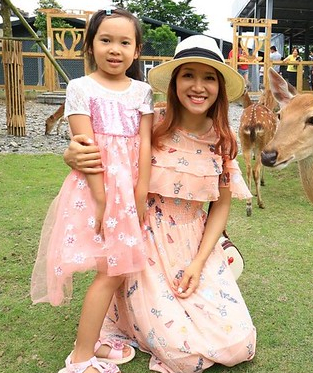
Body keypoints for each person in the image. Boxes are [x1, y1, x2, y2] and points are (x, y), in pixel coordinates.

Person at [63, 34, 257, 373]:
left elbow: (220, 207)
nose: (198, 86)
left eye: (209, 77)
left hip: (196, 244)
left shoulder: (224, 139)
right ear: (175, 82)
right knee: (184, 353)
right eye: (188, 75)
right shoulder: (150, 125)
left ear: (219, 87)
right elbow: (107, 150)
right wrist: (73, 154)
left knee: (239, 343)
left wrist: (199, 262)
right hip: (146, 242)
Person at [31, 8, 154, 373]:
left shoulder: (143, 91)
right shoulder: (80, 88)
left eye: (124, 42)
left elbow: (145, 144)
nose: (114, 49)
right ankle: (81, 357)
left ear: (136, 50)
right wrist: (102, 200)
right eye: (105, 40)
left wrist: (141, 191)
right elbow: (84, 145)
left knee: (116, 267)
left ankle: (95, 340)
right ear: (90, 45)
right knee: (112, 269)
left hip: (131, 189)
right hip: (97, 187)